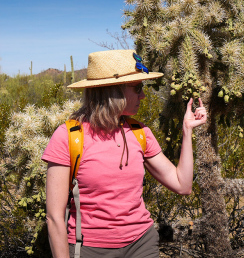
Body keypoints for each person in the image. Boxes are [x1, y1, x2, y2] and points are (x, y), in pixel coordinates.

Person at [42, 49, 207, 258]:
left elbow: (182, 185)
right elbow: (55, 217)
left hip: (142, 245)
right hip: (90, 250)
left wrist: (187, 130)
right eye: (137, 88)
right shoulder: (68, 137)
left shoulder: (140, 133)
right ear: (115, 91)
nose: (143, 94)